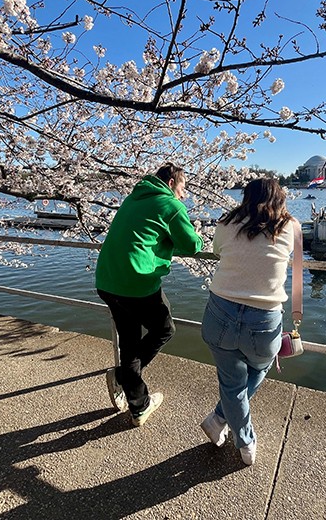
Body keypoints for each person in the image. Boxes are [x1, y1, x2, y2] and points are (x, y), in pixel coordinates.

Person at [199, 178, 298, 466]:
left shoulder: (228, 221)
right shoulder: (289, 227)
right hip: (263, 318)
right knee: (261, 366)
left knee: (232, 382)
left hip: (219, 312)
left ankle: (226, 424)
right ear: (280, 198)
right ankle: (235, 433)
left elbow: (217, 250)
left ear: (245, 197)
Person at [96, 163, 203, 426]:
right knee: (164, 329)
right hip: (136, 283)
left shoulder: (133, 198)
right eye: (182, 187)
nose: (183, 194)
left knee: (130, 343)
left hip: (108, 280)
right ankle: (124, 377)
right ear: (170, 183)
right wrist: (198, 239)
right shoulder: (170, 205)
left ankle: (138, 404)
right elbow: (191, 245)